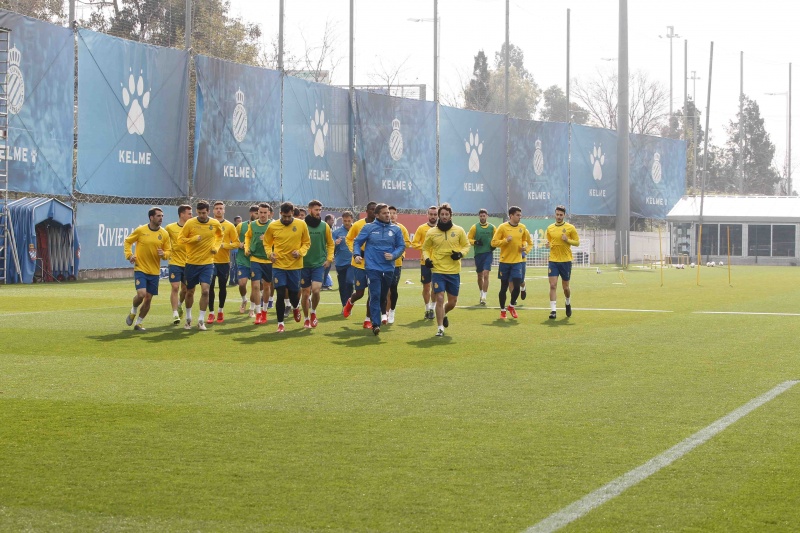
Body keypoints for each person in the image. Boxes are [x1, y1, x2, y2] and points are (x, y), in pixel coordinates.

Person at [352, 203, 405, 336]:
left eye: (388, 212)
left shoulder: (396, 229)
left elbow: (401, 246)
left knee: (383, 296)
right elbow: (357, 242)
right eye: (384, 213)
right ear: (376, 215)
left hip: (388, 268)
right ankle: (375, 324)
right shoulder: (368, 228)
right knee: (374, 294)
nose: (388, 215)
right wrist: (357, 254)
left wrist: (393, 255)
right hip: (372, 267)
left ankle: (383, 314)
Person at [422, 203, 470, 337]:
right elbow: (425, 248)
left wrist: (460, 254)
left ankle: (443, 313)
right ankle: (440, 328)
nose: (444, 216)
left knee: (453, 302)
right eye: (442, 214)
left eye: (446, 214)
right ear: (439, 215)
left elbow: (466, 245)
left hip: (453, 271)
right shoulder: (431, 232)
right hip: (438, 270)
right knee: (440, 297)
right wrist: (427, 259)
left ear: (450, 216)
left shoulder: (459, 230)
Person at [264, 202, 311, 333]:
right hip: (278, 265)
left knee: (294, 293)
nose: (286, 219)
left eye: (288, 216)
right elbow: (267, 243)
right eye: (284, 216)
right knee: (280, 293)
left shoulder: (301, 224)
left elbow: (307, 242)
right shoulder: (273, 226)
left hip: (295, 266)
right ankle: (280, 324)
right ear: (280, 214)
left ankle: (295, 307)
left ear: (293, 214)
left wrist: (300, 252)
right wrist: (270, 254)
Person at [178, 200, 225, 330]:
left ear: (208, 212)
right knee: (189, 292)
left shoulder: (214, 223)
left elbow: (220, 236)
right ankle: (188, 318)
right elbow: (180, 239)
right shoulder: (190, 223)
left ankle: (201, 320)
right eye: (199, 213)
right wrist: (193, 239)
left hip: (207, 263)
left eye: (204, 213)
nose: (201, 215)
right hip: (191, 263)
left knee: (205, 290)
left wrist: (216, 247)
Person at [123, 207, 171, 331]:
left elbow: (168, 252)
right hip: (141, 268)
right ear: (151, 217)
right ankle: (133, 310)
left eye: (162, 216)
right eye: (158, 216)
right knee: (141, 294)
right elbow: (127, 242)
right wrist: (129, 255)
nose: (161, 218)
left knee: (148, 298)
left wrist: (163, 255)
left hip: (154, 271)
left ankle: (139, 323)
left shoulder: (164, 234)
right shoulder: (141, 230)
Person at [490, 206, 530, 320]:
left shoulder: (522, 227)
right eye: (517, 215)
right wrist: (505, 241)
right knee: (504, 288)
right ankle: (503, 310)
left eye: (520, 215)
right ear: (511, 215)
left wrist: (525, 247)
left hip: (517, 262)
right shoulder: (502, 227)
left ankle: (511, 306)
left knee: (517, 286)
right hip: (504, 262)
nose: (519, 217)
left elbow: (526, 241)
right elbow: (493, 243)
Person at [300, 200, 335, 329]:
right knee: (305, 293)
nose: (318, 212)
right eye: (316, 210)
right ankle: (306, 318)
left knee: (315, 290)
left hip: (319, 264)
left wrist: (329, 259)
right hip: (303, 264)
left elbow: (330, 244)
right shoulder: (301, 225)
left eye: (320, 210)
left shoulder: (324, 226)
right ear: (310, 210)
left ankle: (313, 312)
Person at [343, 201, 377, 329]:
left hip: (374, 265)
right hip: (359, 264)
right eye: (372, 209)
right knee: (360, 293)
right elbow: (349, 239)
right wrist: (356, 252)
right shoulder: (358, 225)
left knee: (372, 293)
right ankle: (350, 302)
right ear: (367, 211)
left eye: (376, 210)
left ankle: (368, 320)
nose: (374, 212)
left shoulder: (380, 226)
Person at [545, 205, 580, 319]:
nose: (559, 216)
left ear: (564, 215)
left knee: (565, 287)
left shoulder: (570, 228)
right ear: (555, 214)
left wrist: (567, 240)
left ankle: (568, 302)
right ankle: (553, 311)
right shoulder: (550, 228)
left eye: (561, 215)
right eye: (557, 214)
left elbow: (577, 243)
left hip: (565, 261)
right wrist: (548, 245)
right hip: (553, 260)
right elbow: (550, 242)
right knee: (553, 285)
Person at [207, 201, 239, 323]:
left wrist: (224, 245)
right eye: (216, 208)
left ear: (224, 210)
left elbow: (236, 243)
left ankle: (220, 311)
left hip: (224, 262)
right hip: (209, 261)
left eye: (221, 208)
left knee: (222, 287)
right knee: (209, 288)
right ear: (213, 211)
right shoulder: (209, 224)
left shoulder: (230, 226)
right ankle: (211, 313)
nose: (219, 210)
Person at [244, 203, 274, 325]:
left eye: (264, 213)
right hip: (255, 259)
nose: (262, 215)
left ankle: (265, 311)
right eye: (260, 212)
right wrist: (246, 248)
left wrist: (267, 240)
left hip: (268, 260)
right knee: (255, 286)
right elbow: (247, 237)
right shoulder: (253, 225)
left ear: (269, 213)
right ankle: (258, 313)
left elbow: (279, 239)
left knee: (266, 287)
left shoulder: (273, 225)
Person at [163, 204, 193, 324]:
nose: (192, 215)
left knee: (185, 290)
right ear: (182, 214)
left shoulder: (193, 228)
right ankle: (175, 313)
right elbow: (163, 239)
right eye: (189, 213)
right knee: (175, 287)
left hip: (189, 263)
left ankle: (180, 304)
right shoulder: (170, 228)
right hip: (175, 262)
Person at [410, 205, 439, 319]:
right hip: (425, 263)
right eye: (431, 214)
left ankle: (433, 307)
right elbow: (414, 243)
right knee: (426, 287)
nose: (433, 216)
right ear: (427, 215)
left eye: (435, 214)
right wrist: (424, 247)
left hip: (438, 263)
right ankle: (427, 308)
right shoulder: (421, 228)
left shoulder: (441, 228)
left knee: (436, 287)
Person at [385, 205, 411, 324]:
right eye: (389, 213)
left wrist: (400, 252)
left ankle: (392, 311)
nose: (391, 215)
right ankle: (384, 312)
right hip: (383, 263)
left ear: (397, 215)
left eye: (394, 213)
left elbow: (407, 243)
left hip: (396, 263)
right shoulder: (382, 227)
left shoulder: (401, 228)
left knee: (393, 288)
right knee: (383, 289)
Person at [467, 208, 496, 306]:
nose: (483, 217)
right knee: (480, 275)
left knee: (486, 274)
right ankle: (481, 293)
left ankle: (484, 297)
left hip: (488, 253)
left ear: (487, 216)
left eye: (484, 216)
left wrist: (494, 245)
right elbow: (469, 239)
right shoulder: (475, 227)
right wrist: (475, 242)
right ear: (479, 216)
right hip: (478, 254)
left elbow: (496, 238)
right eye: (481, 216)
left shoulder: (492, 227)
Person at [235, 206, 259, 317]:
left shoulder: (261, 227)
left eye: (258, 213)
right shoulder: (241, 226)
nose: (257, 215)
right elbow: (233, 239)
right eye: (255, 213)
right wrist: (239, 244)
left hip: (256, 260)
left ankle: (252, 309)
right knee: (242, 283)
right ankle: (244, 300)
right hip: (242, 260)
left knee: (255, 287)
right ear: (250, 213)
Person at [332, 210, 354, 308]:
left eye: (348, 220)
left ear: (352, 220)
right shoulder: (337, 232)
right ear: (342, 220)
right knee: (342, 286)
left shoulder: (356, 230)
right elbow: (330, 247)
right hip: (340, 262)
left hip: (352, 262)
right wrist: (335, 244)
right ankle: (344, 305)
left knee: (349, 282)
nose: (347, 223)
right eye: (345, 221)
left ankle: (348, 303)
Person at [322, 214, 336, 290]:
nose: (333, 222)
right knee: (324, 268)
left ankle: (324, 284)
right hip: (324, 253)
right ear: (327, 221)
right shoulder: (324, 228)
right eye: (332, 220)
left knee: (327, 269)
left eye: (333, 220)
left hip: (329, 253)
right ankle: (322, 284)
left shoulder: (331, 229)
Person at [229, 215, 242, 286]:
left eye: (240, 221)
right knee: (233, 266)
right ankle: (231, 280)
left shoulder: (241, 228)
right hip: (234, 250)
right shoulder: (233, 229)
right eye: (238, 221)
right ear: (235, 222)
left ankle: (237, 280)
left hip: (239, 250)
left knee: (238, 266)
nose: (240, 222)